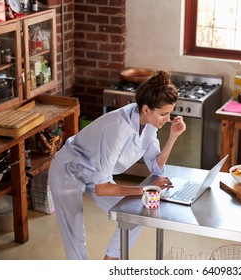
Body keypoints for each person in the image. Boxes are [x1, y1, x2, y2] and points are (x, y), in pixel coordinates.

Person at [48, 70, 186, 260]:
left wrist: (173, 137)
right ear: (146, 109)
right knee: (76, 241)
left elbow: (155, 165)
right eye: (164, 114)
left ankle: (110, 262)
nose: (168, 119)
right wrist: (144, 189)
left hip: (96, 173)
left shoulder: (149, 124)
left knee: (136, 215)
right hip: (69, 171)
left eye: (170, 113)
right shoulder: (118, 128)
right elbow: (102, 189)